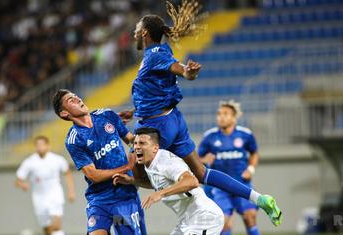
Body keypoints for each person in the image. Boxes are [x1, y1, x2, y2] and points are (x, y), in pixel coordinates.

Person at [118, 0, 282, 226]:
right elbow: (158, 87)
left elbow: (178, 68)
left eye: (137, 28)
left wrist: (188, 72)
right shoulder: (159, 52)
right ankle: (260, 198)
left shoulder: (155, 54)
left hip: (156, 126)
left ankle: (144, 216)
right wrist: (135, 109)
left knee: (133, 169)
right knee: (202, 173)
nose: (134, 31)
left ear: (144, 32)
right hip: (172, 118)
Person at [52, 89, 147, 235]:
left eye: (76, 96)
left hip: (124, 196)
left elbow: (132, 141)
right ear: (65, 113)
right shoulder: (74, 140)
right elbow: (93, 175)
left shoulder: (106, 115)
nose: (78, 99)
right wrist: (126, 167)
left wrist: (138, 154)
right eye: (71, 100)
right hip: (100, 200)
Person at [113, 127, 225, 235]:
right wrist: (131, 181)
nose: (137, 147)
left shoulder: (166, 162)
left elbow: (192, 181)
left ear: (155, 148)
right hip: (187, 220)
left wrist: (160, 194)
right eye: (135, 143)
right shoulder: (150, 162)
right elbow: (158, 184)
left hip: (204, 217)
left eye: (142, 143)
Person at [199, 100, 261, 235]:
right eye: (219, 114)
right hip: (219, 187)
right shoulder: (210, 137)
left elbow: (254, 153)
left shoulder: (245, 135)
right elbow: (196, 159)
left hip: (241, 183)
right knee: (223, 222)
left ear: (234, 118)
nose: (221, 117)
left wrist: (250, 169)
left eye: (225, 114)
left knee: (250, 216)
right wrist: (204, 159)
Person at [15, 136, 75, 235]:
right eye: (38, 145)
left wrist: (71, 192)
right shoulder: (30, 162)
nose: (40, 147)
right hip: (39, 198)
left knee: (56, 226)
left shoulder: (57, 159)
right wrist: (22, 185)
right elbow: (18, 180)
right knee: (47, 229)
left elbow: (67, 173)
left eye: (42, 144)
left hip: (55, 195)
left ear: (48, 146)